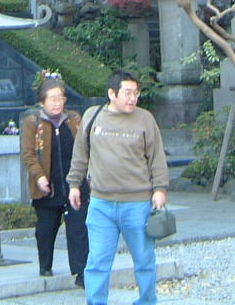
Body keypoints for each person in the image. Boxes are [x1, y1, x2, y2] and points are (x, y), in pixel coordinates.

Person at [66, 70, 169, 305]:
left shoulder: (145, 119)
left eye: (136, 93)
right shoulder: (93, 116)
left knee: (144, 260)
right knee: (97, 262)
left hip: (138, 203)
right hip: (101, 203)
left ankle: (147, 301)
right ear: (112, 94)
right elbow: (80, 153)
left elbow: (157, 157)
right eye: (127, 93)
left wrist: (160, 189)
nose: (133, 98)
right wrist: (74, 184)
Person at [21, 76, 88, 285]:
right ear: (42, 102)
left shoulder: (74, 120)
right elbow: (28, 154)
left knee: (78, 228)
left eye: (61, 98)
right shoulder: (33, 123)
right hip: (48, 186)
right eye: (52, 99)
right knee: (46, 229)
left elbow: (85, 147)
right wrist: (39, 176)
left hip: (74, 184)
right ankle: (45, 264)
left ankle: (81, 272)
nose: (58, 103)